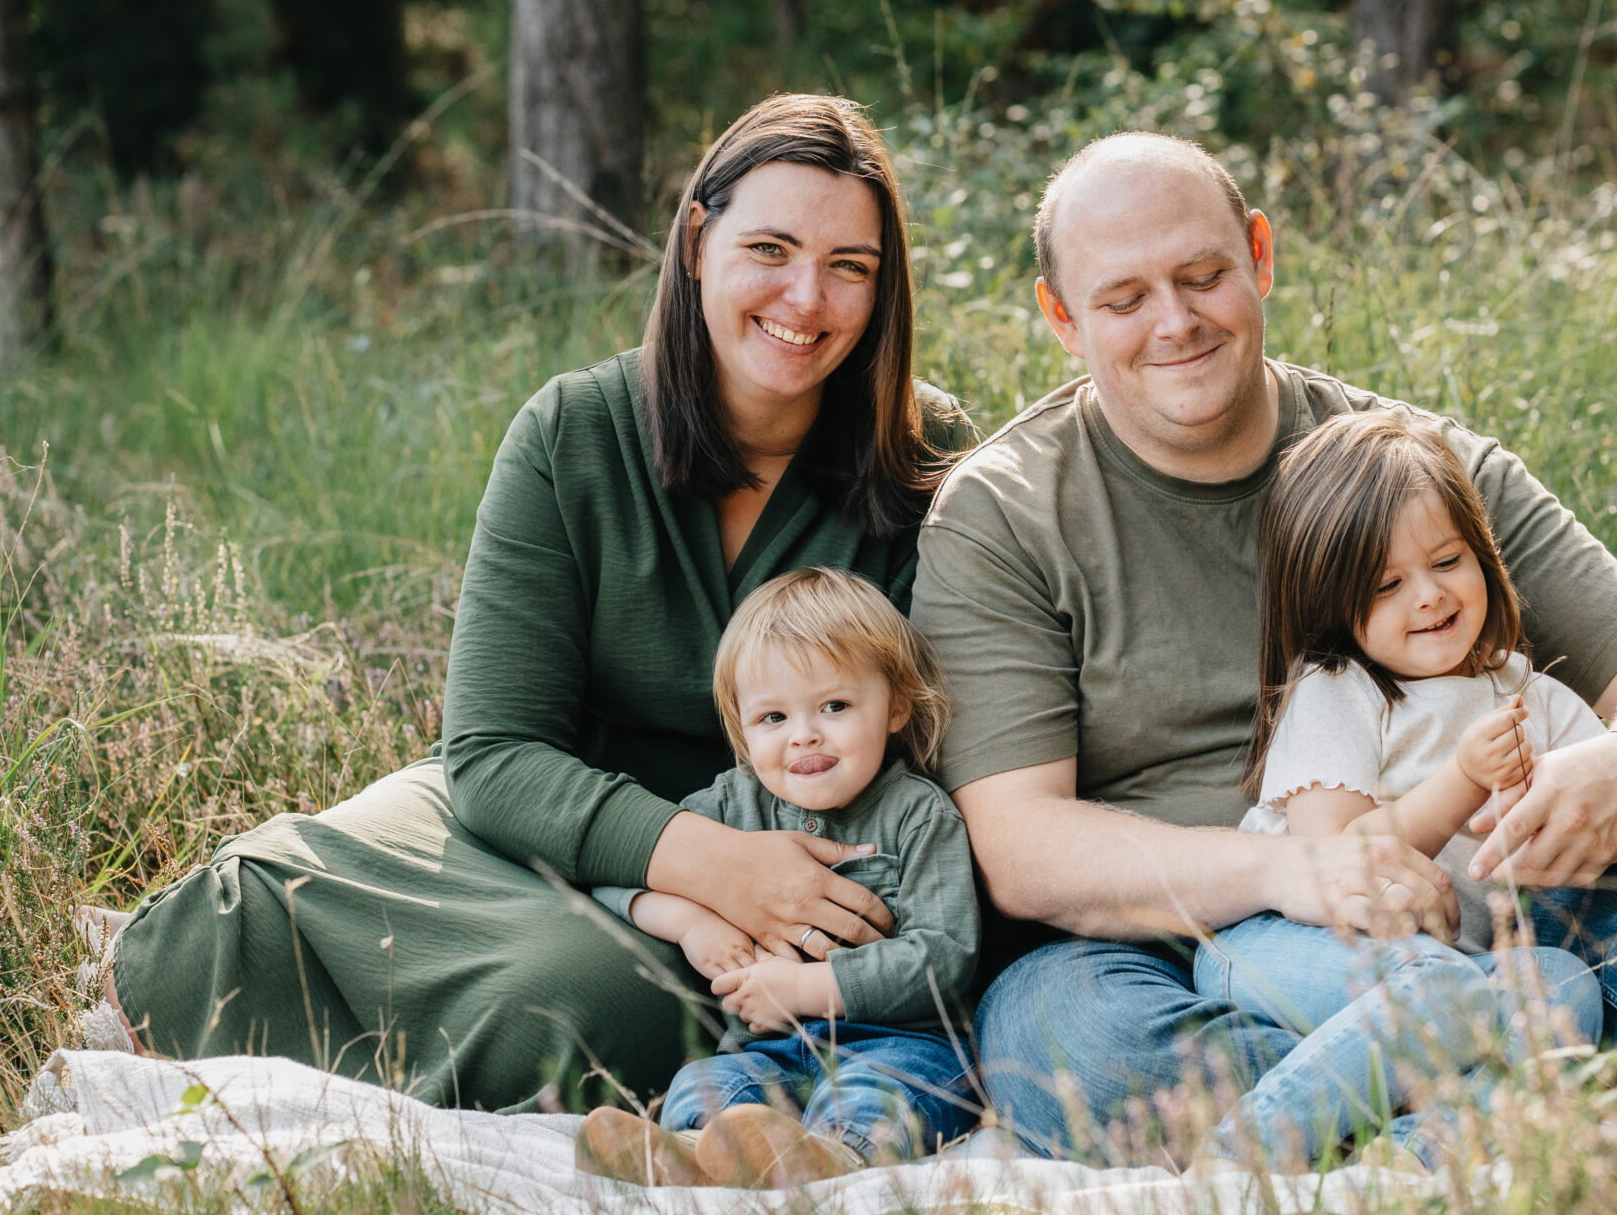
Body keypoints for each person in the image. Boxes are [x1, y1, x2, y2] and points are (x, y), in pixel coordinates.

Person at [913, 131, 1617, 1163]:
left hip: (1466, 921)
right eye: (1123, 298)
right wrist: (1292, 876)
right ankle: (1578, 1105)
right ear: (1060, 317)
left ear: (1259, 257)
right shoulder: (1004, 512)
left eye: (1204, 275)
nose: (1174, 321)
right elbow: (1020, 848)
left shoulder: (1405, 465)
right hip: (1170, 951)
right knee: (1075, 1046)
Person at [96, 95, 978, 1110]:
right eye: (770, 249)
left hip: (795, 863)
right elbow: (492, 755)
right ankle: (154, 1020)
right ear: (697, 243)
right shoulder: (575, 431)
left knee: (581, 1002)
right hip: (541, 826)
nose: (806, 297)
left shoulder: (925, 457)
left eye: (849, 268)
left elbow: (953, 743)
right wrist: (711, 866)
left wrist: (769, 882)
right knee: (262, 889)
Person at [1199, 410, 1617, 1166]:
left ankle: (1402, 1169)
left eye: (1447, 560)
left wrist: (1574, 824)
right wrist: (1462, 782)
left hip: (1444, 966)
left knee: (1560, 987)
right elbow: (1335, 857)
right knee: (1446, 992)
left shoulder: (1529, 696)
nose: (1428, 595)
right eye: (1387, 583)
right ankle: (1233, 1165)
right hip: (1279, 942)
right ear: (1330, 600)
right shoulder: (1339, 690)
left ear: (1481, 553)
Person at [574, 568, 979, 1189]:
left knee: (877, 1096)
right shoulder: (730, 807)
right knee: (707, 1084)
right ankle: (695, 1153)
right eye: (772, 718)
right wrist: (690, 924)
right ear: (741, 727)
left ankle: (830, 1160)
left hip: (901, 1043)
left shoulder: (919, 814)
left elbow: (943, 955)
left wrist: (801, 987)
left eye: (835, 706)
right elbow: (613, 873)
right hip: (766, 1048)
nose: (804, 734)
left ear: (896, 705)